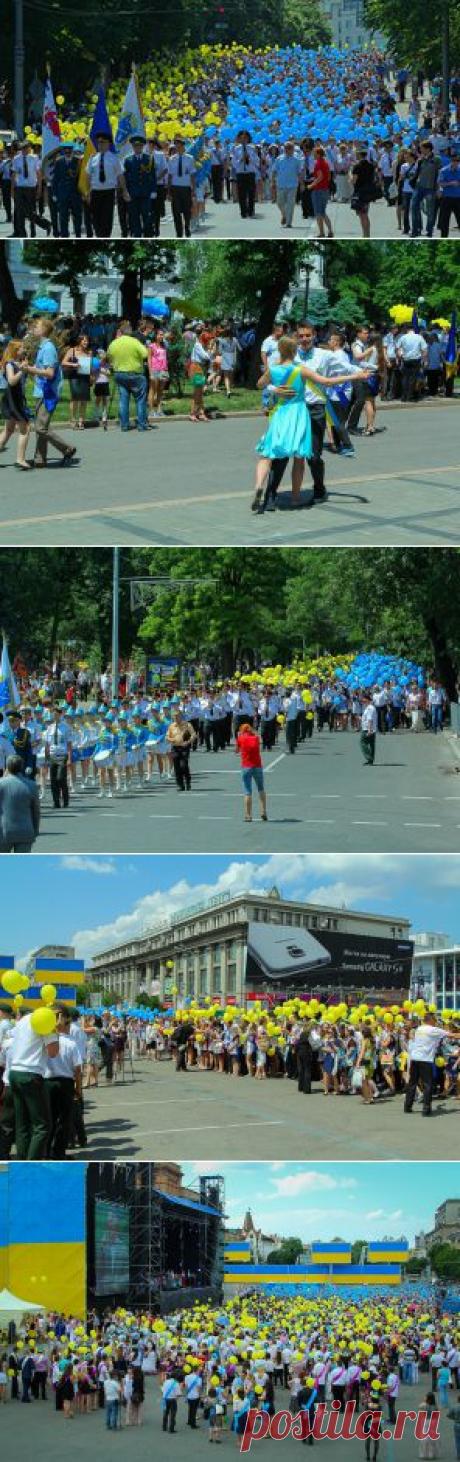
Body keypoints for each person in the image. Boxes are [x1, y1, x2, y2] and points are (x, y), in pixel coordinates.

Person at [20, 317, 77, 470]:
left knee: (41, 428)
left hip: (49, 392)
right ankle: (40, 459)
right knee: (40, 426)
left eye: (36, 326)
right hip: (42, 390)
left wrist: (30, 369)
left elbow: (50, 373)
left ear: (44, 330)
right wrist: (28, 367)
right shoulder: (42, 347)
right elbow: (42, 371)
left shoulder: (48, 348)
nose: (33, 328)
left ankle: (67, 448)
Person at [8, 1009, 58, 1159]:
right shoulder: (45, 1022)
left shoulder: (24, 1020)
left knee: (22, 1124)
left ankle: (22, 1161)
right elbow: (53, 1052)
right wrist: (55, 1032)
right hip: (31, 1074)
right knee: (42, 1126)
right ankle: (32, 1164)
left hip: (15, 1072)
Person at [405, 1014, 460, 1116]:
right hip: (425, 1060)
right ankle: (426, 1109)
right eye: (434, 1020)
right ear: (430, 1020)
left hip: (415, 1059)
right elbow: (453, 1035)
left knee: (412, 1083)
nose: (435, 1022)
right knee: (427, 1085)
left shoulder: (419, 1029)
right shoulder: (433, 1029)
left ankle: (407, 1107)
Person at [107, 323, 149, 432]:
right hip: (135, 373)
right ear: (130, 332)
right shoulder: (135, 342)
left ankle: (124, 425)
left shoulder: (114, 343)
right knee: (140, 399)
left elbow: (109, 356)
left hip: (120, 373)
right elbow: (145, 354)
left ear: (120, 332)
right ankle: (141, 425)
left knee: (123, 399)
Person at [86, 132, 128, 237]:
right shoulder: (93, 158)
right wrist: (87, 191)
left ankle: (105, 236)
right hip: (95, 191)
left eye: (103, 142)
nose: (100, 144)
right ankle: (99, 235)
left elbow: (120, 175)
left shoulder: (114, 158)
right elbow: (88, 175)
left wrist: (124, 190)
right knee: (95, 217)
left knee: (107, 217)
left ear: (108, 144)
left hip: (108, 192)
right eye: (98, 142)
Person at [0, 340, 32, 469]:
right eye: (21, 348)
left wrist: (26, 368)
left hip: (16, 398)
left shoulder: (19, 363)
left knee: (8, 429)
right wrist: (22, 370)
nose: (24, 350)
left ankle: (20, 459)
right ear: (15, 350)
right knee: (25, 428)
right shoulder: (10, 364)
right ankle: (20, 459)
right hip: (13, 399)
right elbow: (12, 380)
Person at [0, 754, 40, 851]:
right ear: (21, 767)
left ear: (7, 767)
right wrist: (35, 830)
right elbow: (36, 811)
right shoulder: (32, 785)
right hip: (25, 831)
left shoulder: (1, 784)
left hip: (3, 832)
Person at [235, 721, 267, 823]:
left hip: (246, 766)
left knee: (247, 791)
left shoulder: (241, 738)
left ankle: (248, 815)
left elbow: (236, 750)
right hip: (257, 766)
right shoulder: (256, 738)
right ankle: (263, 811)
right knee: (261, 789)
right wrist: (253, 731)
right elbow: (258, 736)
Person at [44, 707, 73, 809]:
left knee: (61, 778)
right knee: (53, 780)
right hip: (52, 755)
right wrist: (46, 757)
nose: (54, 716)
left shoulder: (66, 727)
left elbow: (69, 744)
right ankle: (56, 802)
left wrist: (69, 758)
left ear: (60, 715)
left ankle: (65, 800)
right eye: (53, 714)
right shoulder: (50, 728)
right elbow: (47, 744)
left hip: (62, 755)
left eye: (56, 714)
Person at [168, 138, 196, 237]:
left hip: (186, 187)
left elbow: (192, 174)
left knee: (186, 211)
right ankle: (179, 232)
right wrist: (169, 191)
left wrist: (193, 189)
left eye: (179, 145)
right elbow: (170, 175)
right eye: (176, 145)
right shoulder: (171, 159)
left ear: (183, 146)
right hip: (175, 187)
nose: (178, 147)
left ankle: (187, 227)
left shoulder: (190, 158)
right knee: (176, 212)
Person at [166, 708, 196, 790]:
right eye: (174, 716)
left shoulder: (187, 725)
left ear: (181, 716)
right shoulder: (171, 726)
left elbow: (193, 734)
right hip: (175, 748)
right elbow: (167, 737)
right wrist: (173, 740)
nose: (176, 718)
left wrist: (188, 742)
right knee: (177, 767)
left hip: (184, 747)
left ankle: (188, 782)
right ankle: (180, 784)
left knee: (184, 765)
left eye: (177, 716)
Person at [360, 695, 377, 765]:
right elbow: (367, 719)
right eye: (362, 701)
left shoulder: (370, 708)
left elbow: (370, 720)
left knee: (362, 742)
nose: (363, 702)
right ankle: (371, 760)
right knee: (371, 744)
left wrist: (369, 730)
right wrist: (360, 718)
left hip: (367, 729)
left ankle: (369, 757)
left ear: (368, 700)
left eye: (364, 701)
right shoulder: (369, 708)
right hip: (371, 728)